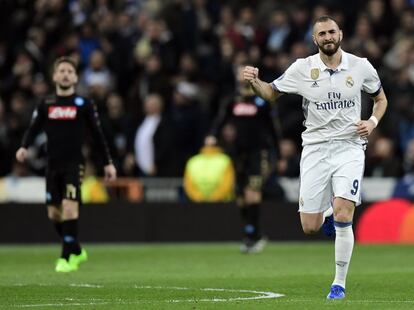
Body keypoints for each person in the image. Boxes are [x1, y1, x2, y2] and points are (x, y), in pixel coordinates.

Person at [243, 15, 387, 299]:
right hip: (316, 149)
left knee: (346, 213)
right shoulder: (302, 68)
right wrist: (254, 81)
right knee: (310, 227)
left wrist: (371, 123)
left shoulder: (360, 66)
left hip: (350, 146)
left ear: (341, 34)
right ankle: (329, 212)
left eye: (331, 31)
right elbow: (271, 93)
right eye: (322, 34)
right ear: (315, 39)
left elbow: (380, 99)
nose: (328, 37)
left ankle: (339, 284)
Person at [16, 56, 117, 273]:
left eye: (69, 71)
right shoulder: (46, 104)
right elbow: (33, 128)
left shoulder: (84, 104)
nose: (65, 74)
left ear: (75, 77)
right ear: (54, 76)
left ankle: (65, 258)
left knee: (70, 207)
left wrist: (108, 162)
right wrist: (24, 146)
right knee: (54, 213)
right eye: (61, 70)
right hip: (52, 165)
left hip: (74, 164)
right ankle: (76, 249)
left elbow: (98, 135)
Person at [205, 65, 279, 254]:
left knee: (252, 190)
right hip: (238, 152)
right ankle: (252, 233)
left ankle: (252, 236)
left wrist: (277, 152)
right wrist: (212, 135)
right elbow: (220, 120)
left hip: (259, 152)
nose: (243, 75)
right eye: (240, 71)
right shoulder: (232, 100)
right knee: (240, 196)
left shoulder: (262, 100)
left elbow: (273, 128)